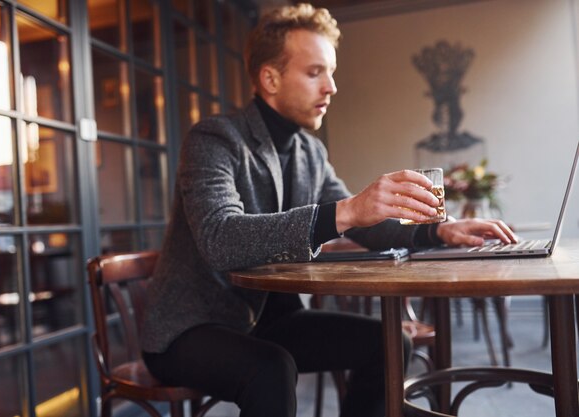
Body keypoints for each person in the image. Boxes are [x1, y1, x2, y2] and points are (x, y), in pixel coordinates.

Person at [141, 4, 517, 417]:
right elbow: (220, 239)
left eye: (330, 72)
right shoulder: (214, 138)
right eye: (315, 72)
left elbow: (367, 226)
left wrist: (439, 232)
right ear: (270, 78)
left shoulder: (309, 152)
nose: (332, 87)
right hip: (189, 328)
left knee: (391, 342)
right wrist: (346, 211)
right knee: (271, 368)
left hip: (266, 318)